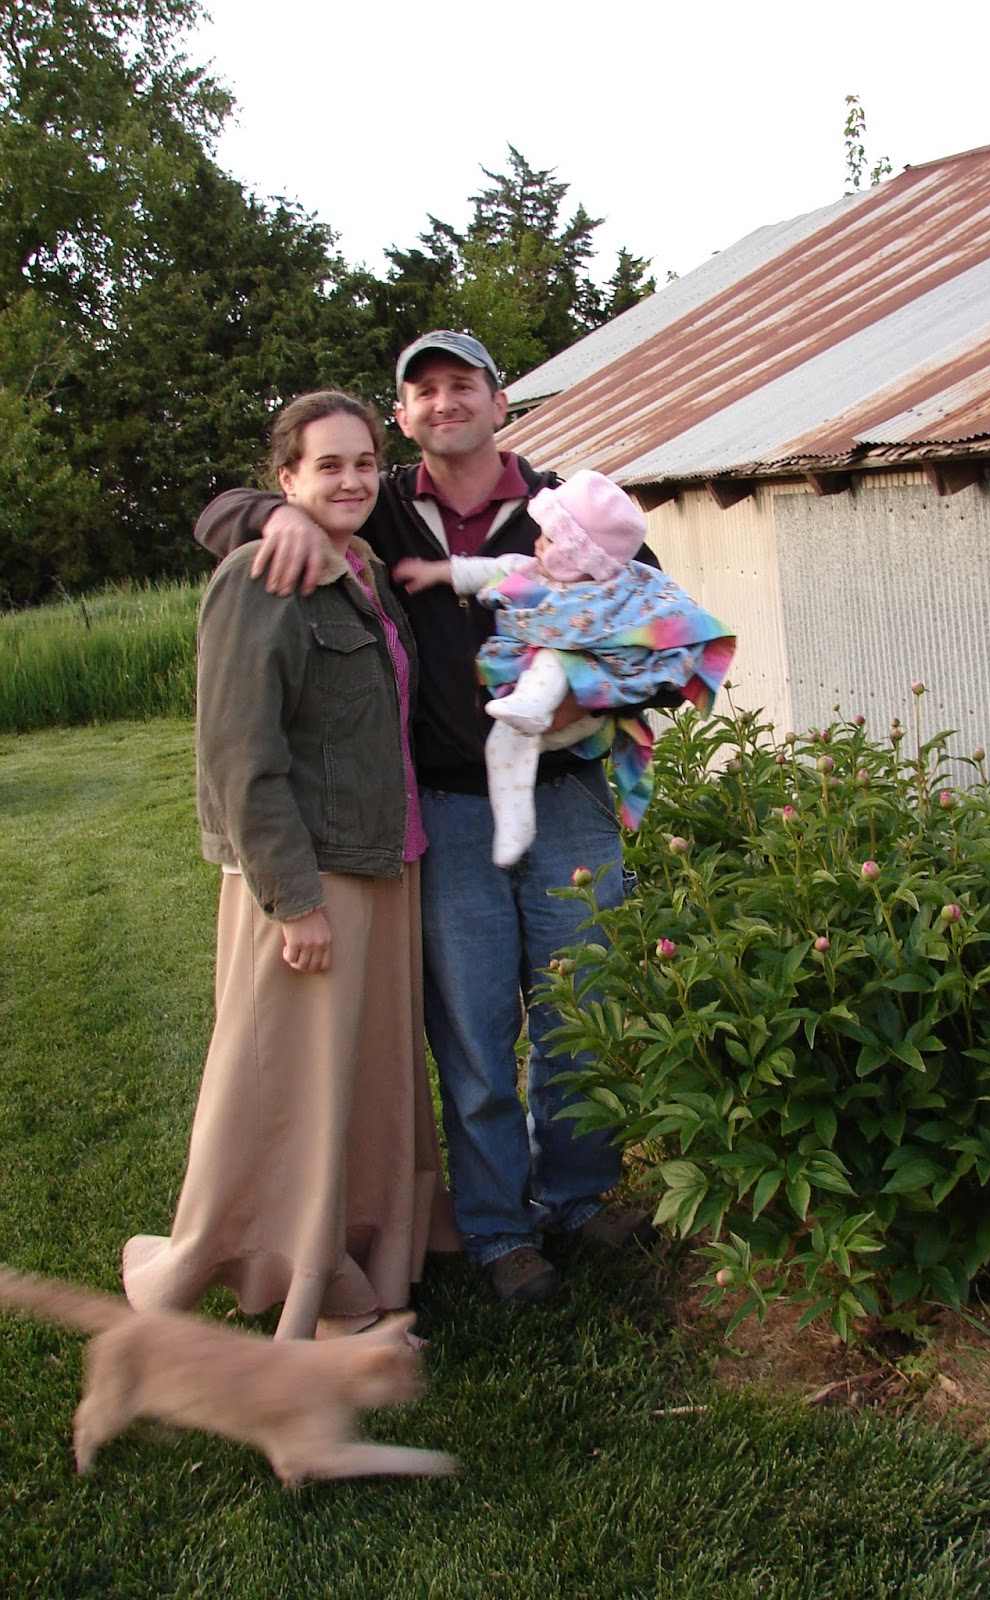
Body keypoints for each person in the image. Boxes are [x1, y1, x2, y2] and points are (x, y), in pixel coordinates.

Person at [194, 332, 662, 1305]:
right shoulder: (382, 509)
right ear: (403, 416)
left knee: (581, 1015)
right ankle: (498, 1230)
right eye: (425, 390)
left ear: (500, 403)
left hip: (568, 798)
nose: (446, 402)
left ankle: (579, 1197)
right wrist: (268, 516)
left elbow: (660, 633)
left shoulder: (568, 507)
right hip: (447, 808)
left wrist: (592, 699)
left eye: (464, 385)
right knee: (474, 1034)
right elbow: (223, 512)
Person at [125, 390, 457, 1340]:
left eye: (364, 462)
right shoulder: (261, 574)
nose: (351, 481)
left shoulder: (364, 568)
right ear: (286, 479)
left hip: (385, 862)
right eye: (328, 465)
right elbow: (240, 755)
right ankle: (317, 1287)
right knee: (292, 1091)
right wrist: (293, 900)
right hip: (313, 876)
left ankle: (373, 1250)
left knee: (366, 1082)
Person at [393, 468, 736, 867]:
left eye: (551, 539)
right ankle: (514, 824)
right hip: (535, 731)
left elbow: (669, 628)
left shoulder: (622, 592)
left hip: (584, 716)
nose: (537, 543)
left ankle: (533, 705)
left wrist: (588, 664)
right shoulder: (535, 571)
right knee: (501, 743)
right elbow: (487, 569)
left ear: (581, 554)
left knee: (555, 657)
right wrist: (435, 571)